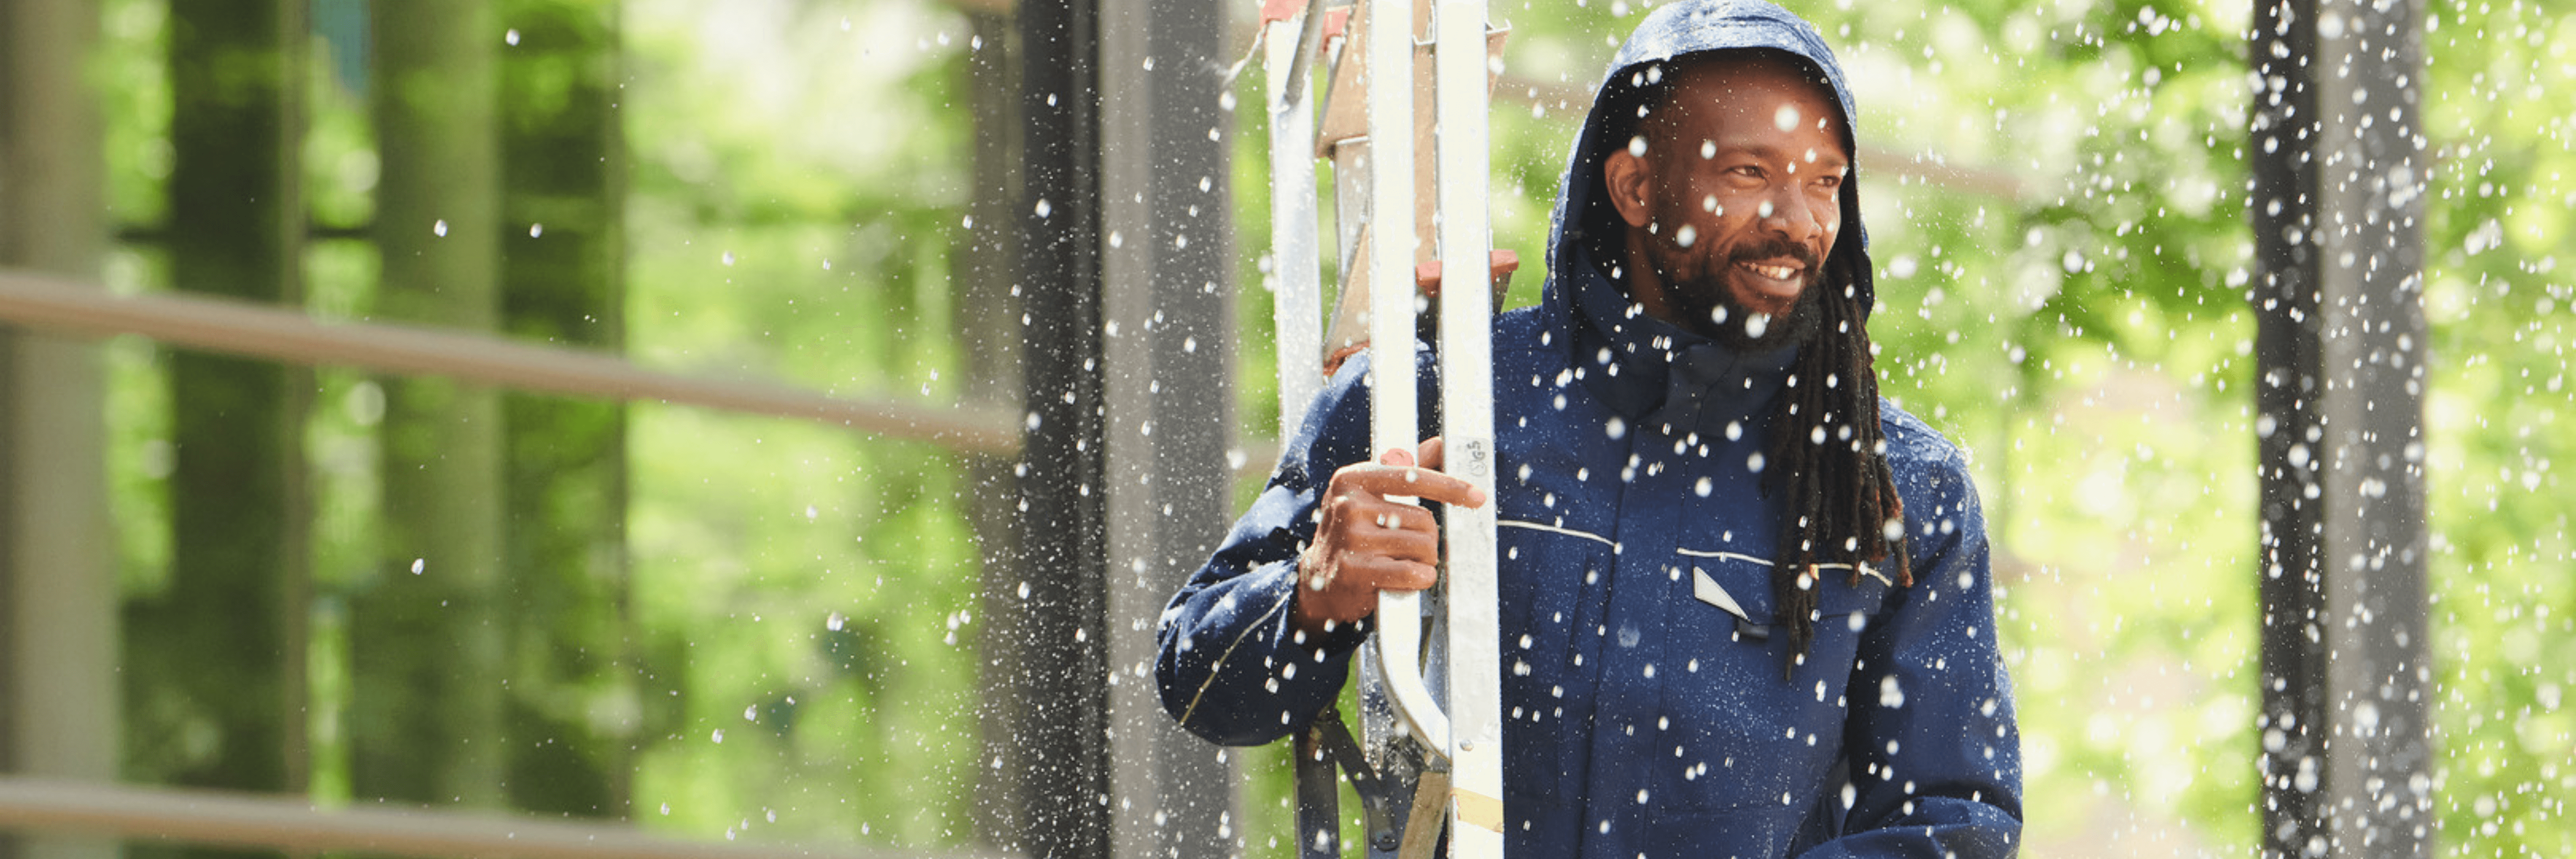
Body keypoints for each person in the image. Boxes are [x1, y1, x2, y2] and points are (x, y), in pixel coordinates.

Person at [1154, 1, 2022, 855]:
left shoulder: (1897, 483)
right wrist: (1312, 594)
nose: (1798, 220)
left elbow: (1954, 825)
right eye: (1750, 174)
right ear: (1636, 186)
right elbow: (1197, 684)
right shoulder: (1441, 400)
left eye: (1825, 181)